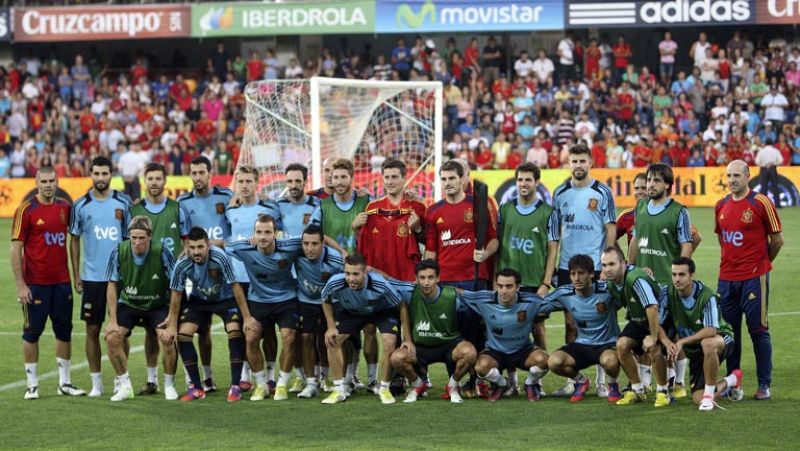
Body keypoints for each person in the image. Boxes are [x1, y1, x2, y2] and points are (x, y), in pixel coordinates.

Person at [424, 159, 499, 397]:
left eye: (452, 178)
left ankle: (478, 381)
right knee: (451, 335)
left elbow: (493, 239)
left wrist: (484, 253)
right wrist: (429, 279)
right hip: (445, 282)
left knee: (476, 331)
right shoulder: (433, 211)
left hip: (474, 279)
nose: (447, 183)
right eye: (443, 179)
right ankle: (453, 382)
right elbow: (431, 251)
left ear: (462, 180)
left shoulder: (477, 204)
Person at [13, 167, 85, 399]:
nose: (47, 185)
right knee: (32, 333)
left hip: (62, 283)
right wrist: (20, 285)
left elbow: (75, 240)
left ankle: (65, 382)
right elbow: (16, 249)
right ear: (36, 182)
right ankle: (32, 384)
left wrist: (76, 275)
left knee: (64, 331)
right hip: (35, 284)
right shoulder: (26, 209)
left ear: (57, 182)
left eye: (51, 181)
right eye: (43, 181)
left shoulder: (65, 207)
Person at [551, 144, 616, 397]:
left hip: (596, 267)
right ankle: (573, 380)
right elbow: (555, 234)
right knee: (570, 322)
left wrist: (606, 264)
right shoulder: (560, 193)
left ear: (590, 163)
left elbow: (610, 228)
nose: (577, 165)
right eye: (573, 161)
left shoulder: (602, 192)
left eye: (582, 161)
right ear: (569, 163)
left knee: (600, 320)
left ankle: (601, 380)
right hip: (568, 266)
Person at [715, 160, 783, 400]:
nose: (732, 179)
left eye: (736, 175)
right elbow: (723, 240)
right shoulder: (720, 205)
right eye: (728, 175)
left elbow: (777, 239)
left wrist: (761, 264)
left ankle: (765, 384)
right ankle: (734, 382)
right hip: (726, 280)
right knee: (728, 334)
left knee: (758, 330)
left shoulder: (760, 202)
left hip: (754, 278)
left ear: (747, 176)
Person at [69, 157, 132, 397]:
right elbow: (74, 239)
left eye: (105, 173)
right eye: (96, 173)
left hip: (119, 277)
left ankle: (121, 379)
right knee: (92, 330)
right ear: (90, 174)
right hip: (92, 277)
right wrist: (77, 273)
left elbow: (130, 239)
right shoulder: (80, 205)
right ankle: (96, 382)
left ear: (111, 174)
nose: (101, 178)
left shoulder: (123, 203)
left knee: (119, 331)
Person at [310, 158, 374, 392]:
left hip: (363, 276)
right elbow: (318, 234)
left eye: (343, 177)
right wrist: (340, 250)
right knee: (339, 328)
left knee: (366, 328)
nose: (338, 181)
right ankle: (340, 377)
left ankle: (363, 377)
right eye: (335, 177)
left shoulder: (367, 201)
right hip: (333, 275)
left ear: (352, 178)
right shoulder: (322, 206)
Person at [162, 227, 247, 402]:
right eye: (192, 248)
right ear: (187, 246)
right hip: (199, 300)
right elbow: (176, 294)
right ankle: (196, 388)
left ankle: (235, 386)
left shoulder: (220, 256)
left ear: (207, 245)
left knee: (235, 331)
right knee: (183, 335)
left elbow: (235, 286)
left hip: (225, 299)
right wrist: (171, 324)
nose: (196, 252)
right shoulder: (182, 262)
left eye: (200, 247)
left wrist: (247, 317)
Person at [129, 162, 190, 396]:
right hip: (146, 281)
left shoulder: (176, 208)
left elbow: (185, 242)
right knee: (150, 333)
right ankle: (152, 379)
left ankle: (185, 380)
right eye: (150, 179)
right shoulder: (135, 211)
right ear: (145, 181)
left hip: (173, 282)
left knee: (178, 330)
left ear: (165, 181)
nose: (154, 183)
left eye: (158, 178)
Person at [227, 214, 302, 401]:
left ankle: (282, 384)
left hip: (286, 299)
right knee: (251, 338)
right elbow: (223, 246)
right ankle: (261, 385)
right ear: (254, 234)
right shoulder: (244, 247)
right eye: (259, 232)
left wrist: (341, 252)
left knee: (289, 338)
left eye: (267, 232)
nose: (262, 237)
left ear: (276, 234)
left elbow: (316, 240)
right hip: (258, 300)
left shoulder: (290, 246)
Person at [104, 215, 178, 401]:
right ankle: (124, 385)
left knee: (167, 339)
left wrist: (172, 318)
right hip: (129, 303)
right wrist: (112, 319)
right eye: (133, 238)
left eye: (141, 238)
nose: (137, 242)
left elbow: (175, 285)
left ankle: (169, 384)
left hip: (157, 304)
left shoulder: (162, 251)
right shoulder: (118, 251)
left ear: (150, 236)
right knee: (112, 337)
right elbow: (112, 285)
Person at [177, 156, 234, 392]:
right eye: (194, 173)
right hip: (198, 271)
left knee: (237, 327)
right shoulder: (182, 202)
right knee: (203, 328)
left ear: (210, 173)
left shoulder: (226, 197)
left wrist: (222, 244)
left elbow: (236, 228)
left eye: (202, 172)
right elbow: (184, 237)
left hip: (226, 268)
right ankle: (206, 377)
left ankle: (246, 376)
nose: (198, 177)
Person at [320, 253, 408, 405]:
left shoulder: (380, 284)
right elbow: (325, 299)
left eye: (356, 274)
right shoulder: (335, 282)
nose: (351, 278)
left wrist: (406, 338)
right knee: (332, 340)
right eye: (347, 273)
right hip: (352, 312)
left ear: (365, 272)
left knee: (389, 342)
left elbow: (401, 306)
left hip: (381, 311)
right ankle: (339, 390)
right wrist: (331, 327)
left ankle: (384, 388)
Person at [658, 257, 743, 411]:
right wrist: (666, 341)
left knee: (707, 343)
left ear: (692, 275)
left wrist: (682, 342)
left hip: (721, 338)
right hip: (696, 350)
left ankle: (709, 398)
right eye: (674, 274)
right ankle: (732, 380)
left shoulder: (706, 296)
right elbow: (656, 323)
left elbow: (711, 330)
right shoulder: (667, 292)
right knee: (697, 397)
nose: (677, 279)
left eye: (682, 274)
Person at [458, 268, 554, 402]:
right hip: (495, 352)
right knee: (480, 367)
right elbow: (460, 293)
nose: (503, 291)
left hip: (523, 351)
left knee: (546, 361)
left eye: (509, 286)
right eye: (500, 286)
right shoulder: (484, 299)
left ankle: (530, 383)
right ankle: (502, 384)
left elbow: (556, 302)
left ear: (518, 287)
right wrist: (435, 287)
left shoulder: (532, 301)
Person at [390, 260, 478, 403]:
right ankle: (418, 384)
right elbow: (387, 282)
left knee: (470, 353)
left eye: (430, 277)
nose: (426, 282)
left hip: (449, 344)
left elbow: (477, 304)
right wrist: (407, 339)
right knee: (397, 358)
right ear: (416, 279)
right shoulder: (409, 292)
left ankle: (453, 385)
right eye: (422, 278)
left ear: (438, 278)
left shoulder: (453, 296)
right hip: (420, 347)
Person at [225, 165, 279, 391]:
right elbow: (226, 241)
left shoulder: (270, 210)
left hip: (263, 277)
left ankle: (271, 373)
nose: (244, 185)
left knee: (267, 329)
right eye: (241, 181)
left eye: (248, 181)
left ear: (257, 183)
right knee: (244, 328)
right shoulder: (230, 212)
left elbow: (281, 237)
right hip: (238, 277)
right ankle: (246, 373)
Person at [545, 255, 623, 403]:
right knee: (554, 362)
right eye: (573, 274)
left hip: (607, 344)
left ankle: (613, 383)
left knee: (611, 361)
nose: (576, 278)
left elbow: (626, 295)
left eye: (581, 273)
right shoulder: (564, 293)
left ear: (591, 274)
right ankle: (581, 381)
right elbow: (540, 305)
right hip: (582, 344)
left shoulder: (607, 290)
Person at [601, 246, 670, 408]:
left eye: (612, 264)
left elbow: (652, 306)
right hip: (640, 318)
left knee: (653, 349)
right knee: (622, 345)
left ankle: (663, 392)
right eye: (604, 265)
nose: (607, 269)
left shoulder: (635, 279)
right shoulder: (611, 283)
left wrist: (653, 337)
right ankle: (638, 389)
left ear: (623, 263)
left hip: (660, 316)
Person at [355, 158, 426, 282]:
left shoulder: (417, 207)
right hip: (379, 276)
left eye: (394, 177)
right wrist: (355, 227)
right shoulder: (372, 208)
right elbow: (363, 244)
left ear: (404, 178)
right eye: (386, 177)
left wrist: (418, 229)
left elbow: (428, 242)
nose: (390, 182)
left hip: (406, 276)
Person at [294, 224, 344, 398]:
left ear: (323, 243)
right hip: (306, 301)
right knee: (306, 338)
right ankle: (310, 382)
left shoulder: (336, 260)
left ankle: (331, 378)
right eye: (306, 243)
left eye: (314, 244)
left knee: (331, 339)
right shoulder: (295, 252)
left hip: (331, 302)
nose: (309, 248)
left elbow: (350, 278)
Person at [275, 164, 321, 238]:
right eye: (290, 181)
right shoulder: (278, 205)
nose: (293, 186)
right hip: (286, 249)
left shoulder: (318, 205)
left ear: (305, 182)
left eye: (298, 181)